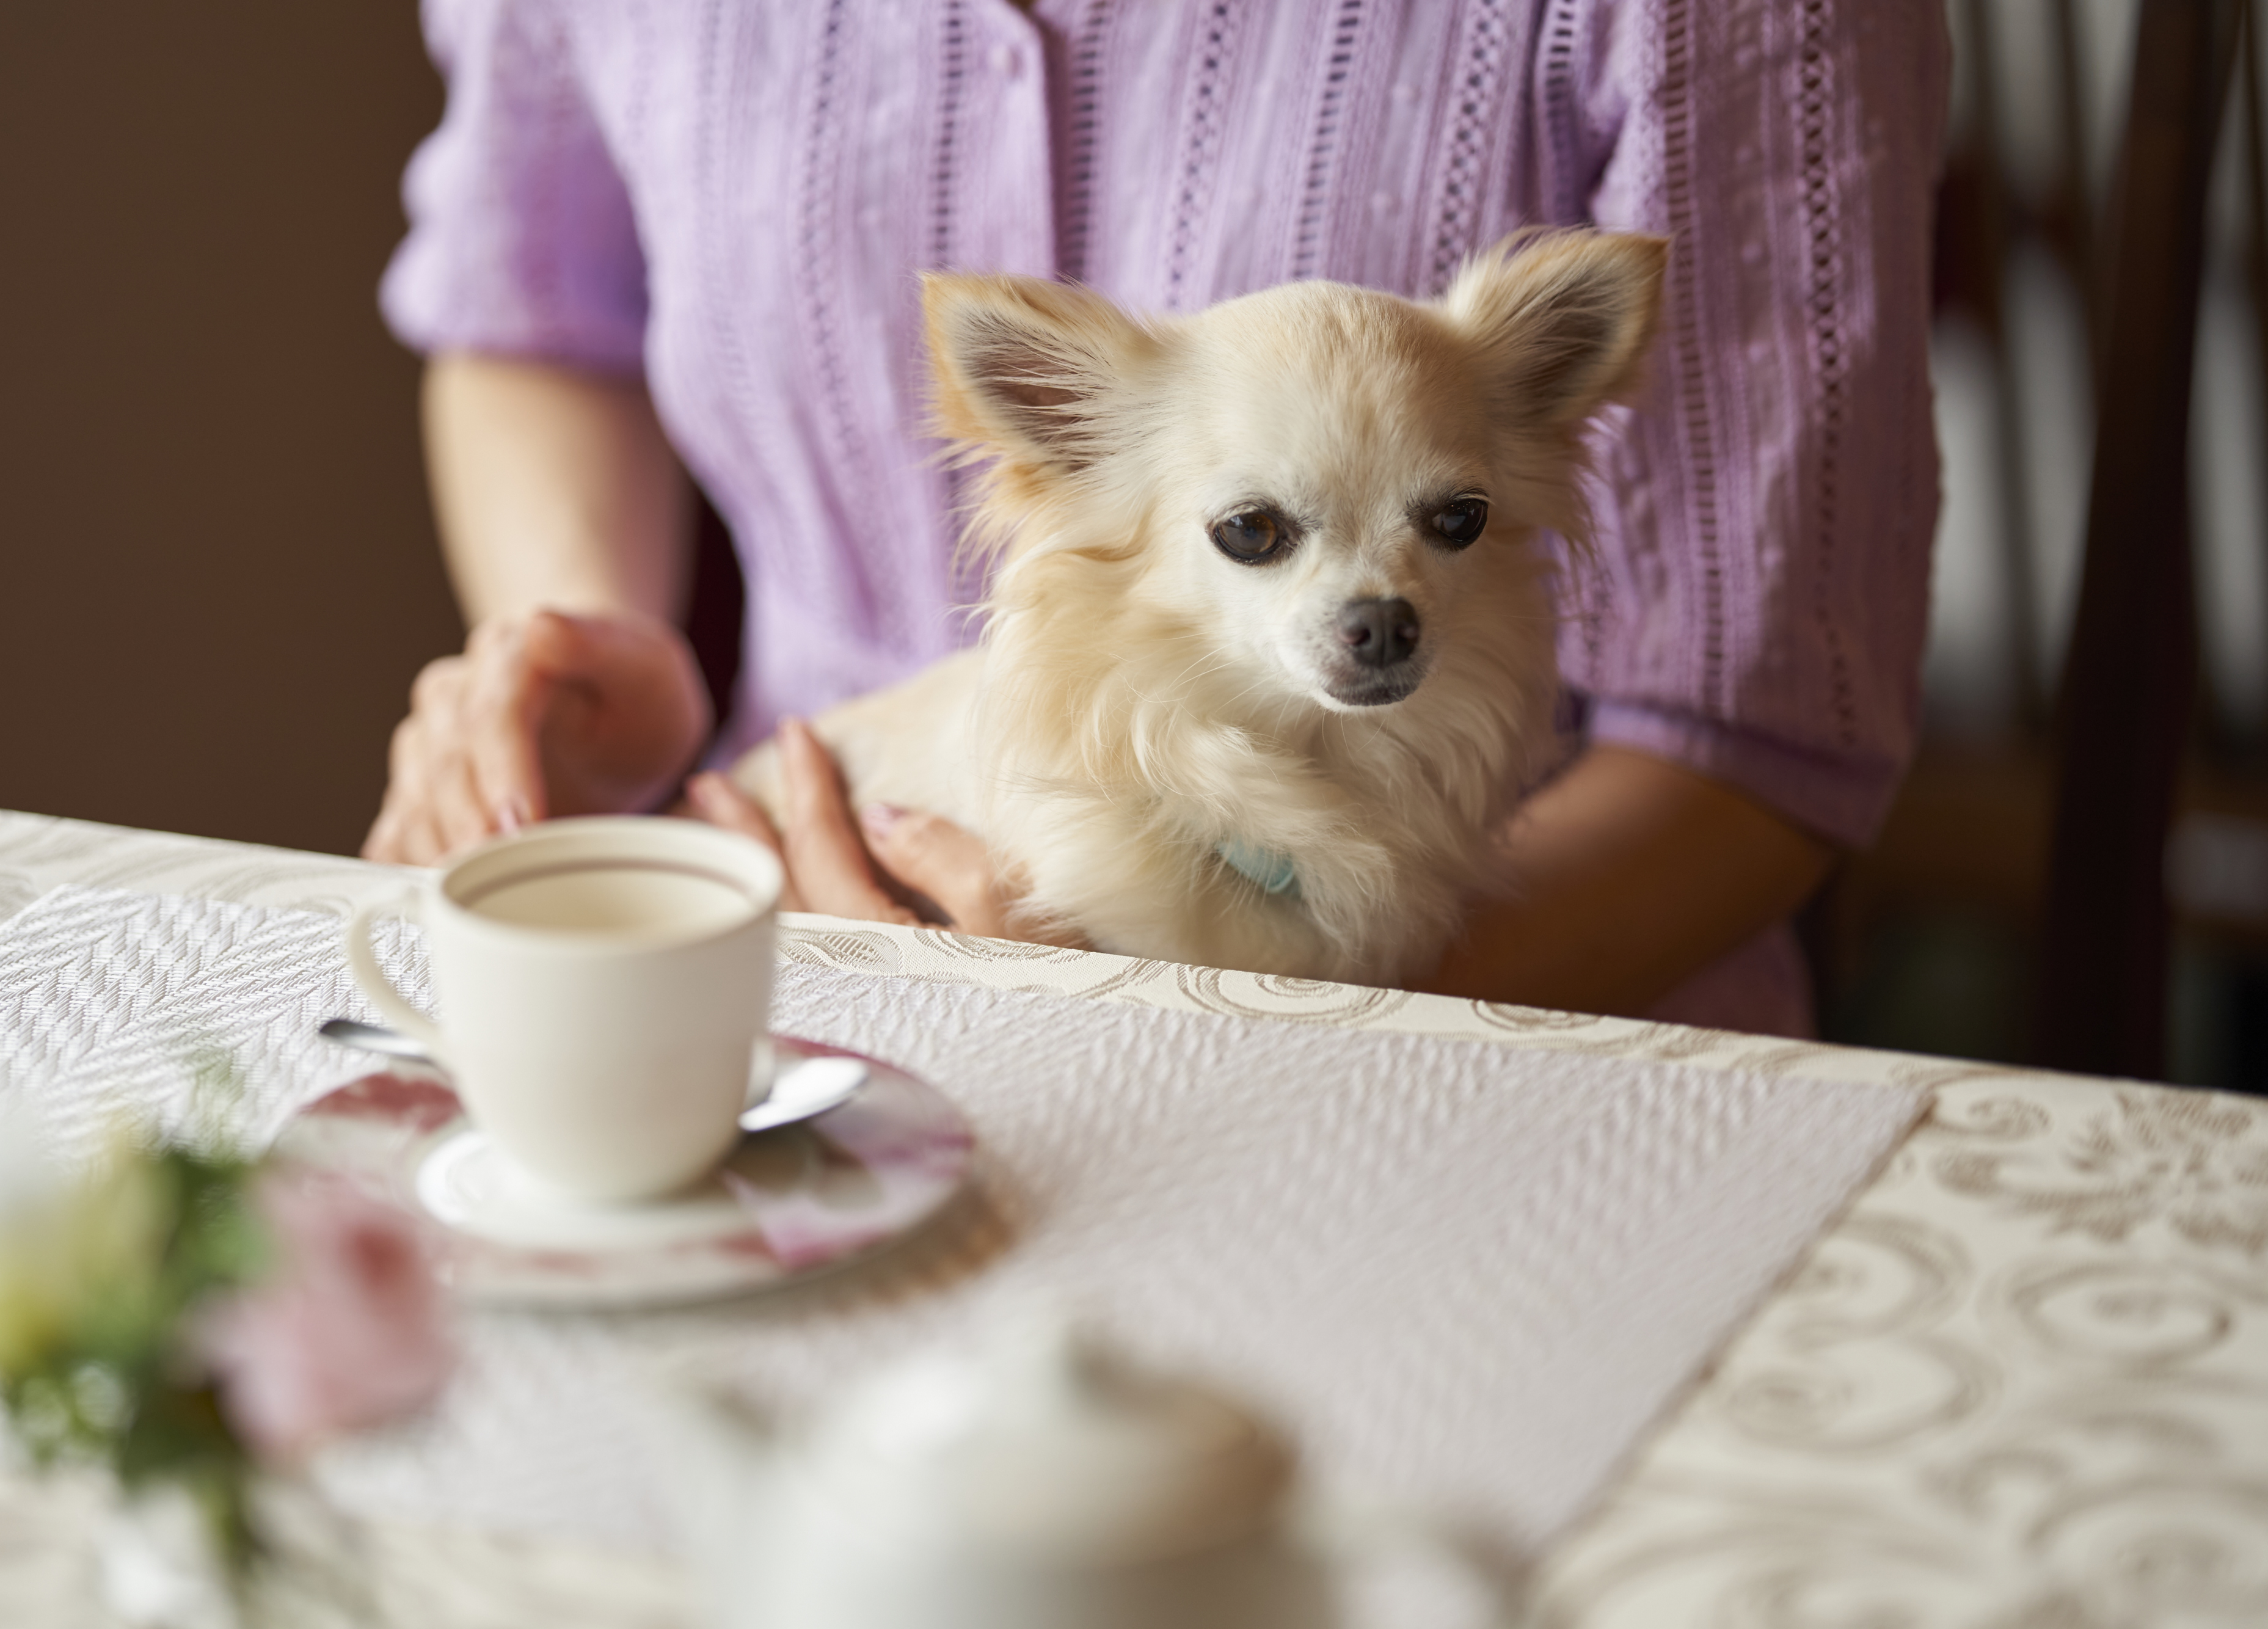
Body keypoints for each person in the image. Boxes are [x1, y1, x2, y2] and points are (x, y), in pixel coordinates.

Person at [366, 0, 1948, 1038]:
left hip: (1533, 1010)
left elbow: (1756, 751)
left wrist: (1215, 1033)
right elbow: (535, 310)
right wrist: (597, 640)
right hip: (786, 931)